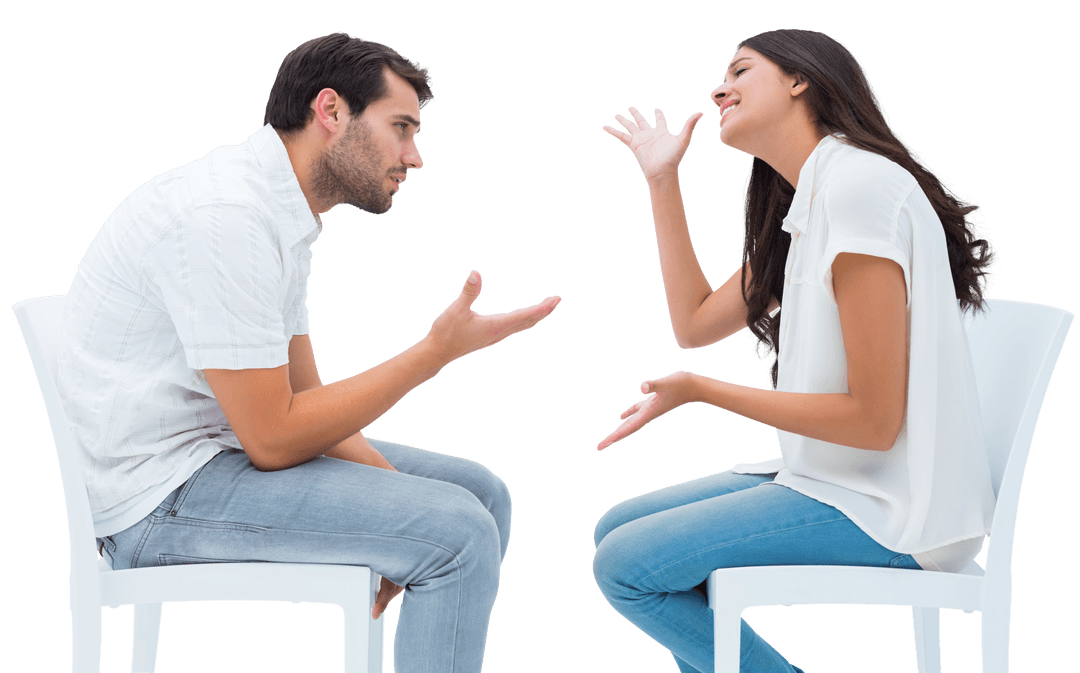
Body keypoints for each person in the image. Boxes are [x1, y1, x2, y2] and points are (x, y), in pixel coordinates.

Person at [58, 32, 560, 673]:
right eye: (401, 128)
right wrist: (434, 354)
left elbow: (306, 406)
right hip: (161, 500)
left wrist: (393, 506)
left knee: (479, 496)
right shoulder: (227, 217)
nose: (414, 156)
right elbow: (274, 437)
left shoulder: (281, 212)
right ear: (331, 112)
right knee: (456, 532)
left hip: (217, 454)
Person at [591, 28, 998, 673]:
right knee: (617, 528)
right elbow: (695, 324)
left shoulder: (859, 189)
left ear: (800, 78)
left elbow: (872, 421)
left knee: (628, 564)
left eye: (740, 70)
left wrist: (705, 391)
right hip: (840, 484)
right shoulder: (809, 200)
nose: (719, 87)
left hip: (898, 511)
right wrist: (662, 180)